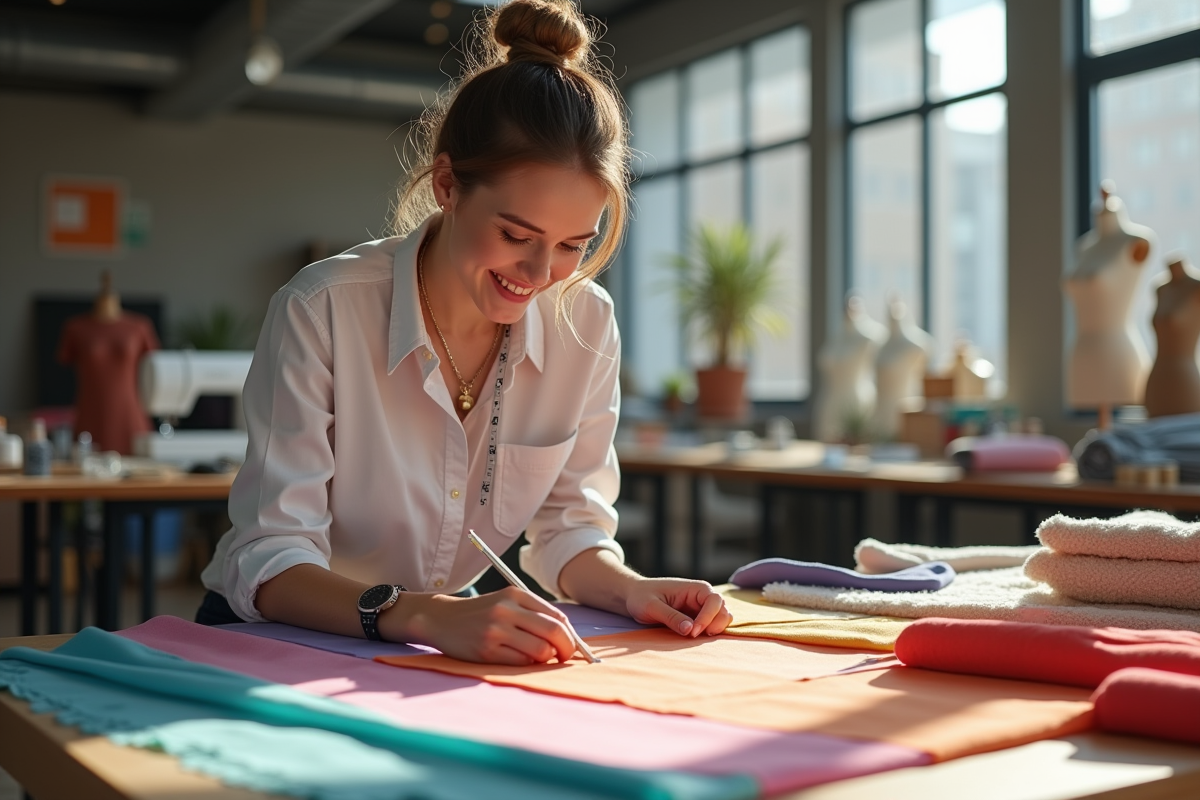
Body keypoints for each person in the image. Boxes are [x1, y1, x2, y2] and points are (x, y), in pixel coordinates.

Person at [197, 0, 732, 664]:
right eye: (516, 235)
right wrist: (427, 615)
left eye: (573, 244)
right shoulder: (323, 308)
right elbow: (269, 557)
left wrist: (630, 589)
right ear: (448, 184)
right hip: (285, 634)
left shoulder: (585, 322)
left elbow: (569, 529)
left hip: (436, 637)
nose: (540, 274)